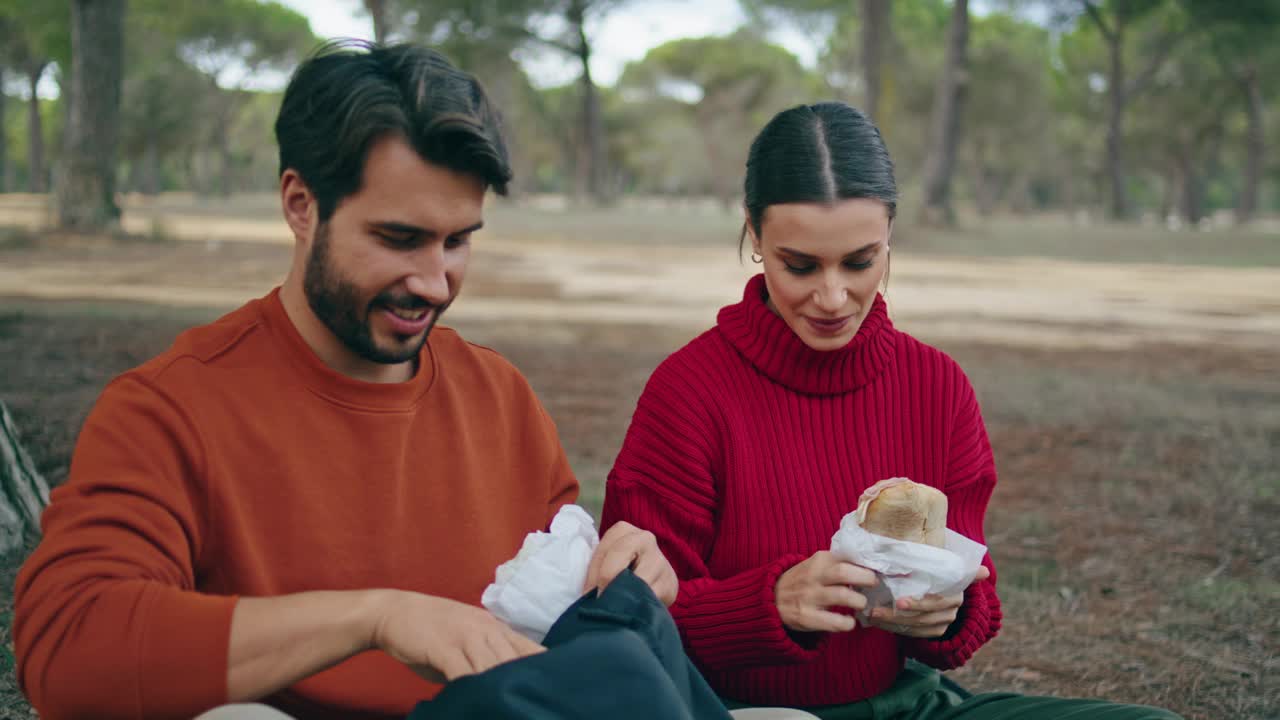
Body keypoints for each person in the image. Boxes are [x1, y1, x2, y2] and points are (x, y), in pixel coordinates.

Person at [11, 41, 678, 720]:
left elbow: (555, 612)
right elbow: (69, 651)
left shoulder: (499, 395)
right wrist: (374, 619)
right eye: (398, 238)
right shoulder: (170, 409)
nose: (433, 281)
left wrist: (619, 567)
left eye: (456, 242)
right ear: (301, 205)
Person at [601, 102, 1182, 720]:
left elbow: (974, 593)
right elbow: (629, 617)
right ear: (754, 235)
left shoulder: (937, 385)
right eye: (799, 265)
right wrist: (770, 604)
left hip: (909, 706)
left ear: (890, 239)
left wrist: (947, 614)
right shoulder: (689, 391)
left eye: (859, 262)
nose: (832, 297)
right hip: (730, 709)